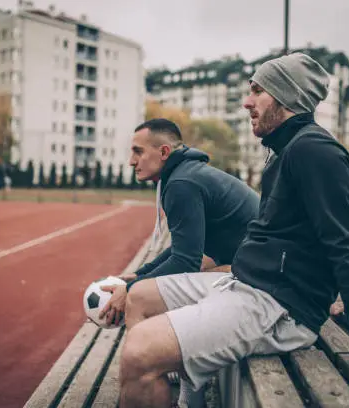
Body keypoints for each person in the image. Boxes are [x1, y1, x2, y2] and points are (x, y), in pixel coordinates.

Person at [117, 53, 349, 408]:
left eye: (257, 91)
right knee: (139, 297)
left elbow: (347, 246)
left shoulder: (315, 152)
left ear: (285, 96)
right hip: (250, 286)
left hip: (279, 308)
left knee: (138, 352)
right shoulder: (284, 152)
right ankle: (188, 399)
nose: (246, 102)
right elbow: (294, 238)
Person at [99, 118, 259, 406]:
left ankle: (148, 369)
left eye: (138, 152)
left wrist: (131, 288)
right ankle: (184, 392)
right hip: (252, 265)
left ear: (163, 152)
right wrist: (134, 276)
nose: (130, 161)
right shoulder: (186, 173)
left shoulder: (182, 183)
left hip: (261, 277)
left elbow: (185, 261)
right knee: (143, 287)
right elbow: (182, 252)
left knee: (138, 298)